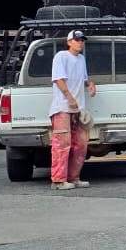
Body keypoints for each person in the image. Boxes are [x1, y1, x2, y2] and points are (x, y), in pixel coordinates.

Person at [48, 30, 96, 190]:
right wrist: (69, 98)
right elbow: (58, 79)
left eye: (82, 40)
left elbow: (84, 79)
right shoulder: (61, 56)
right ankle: (58, 180)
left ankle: (74, 178)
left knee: (81, 145)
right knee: (62, 144)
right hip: (62, 107)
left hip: (78, 109)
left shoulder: (81, 59)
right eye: (77, 40)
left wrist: (90, 84)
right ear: (69, 42)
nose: (80, 42)